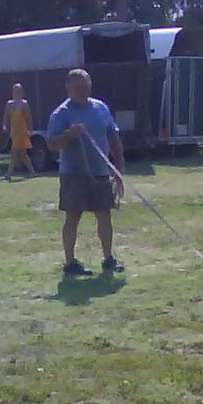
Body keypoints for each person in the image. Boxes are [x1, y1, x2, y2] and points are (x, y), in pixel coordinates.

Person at [45, 68, 125, 276]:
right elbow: (51, 144)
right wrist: (69, 135)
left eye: (86, 87)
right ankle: (70, 263)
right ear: (68, 88)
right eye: (79, 88)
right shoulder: (62, 113)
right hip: (73, 174)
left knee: (104, 216)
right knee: (73, 217)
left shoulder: (101, 108)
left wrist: (119, 167)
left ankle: (108, 259)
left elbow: (113, 138)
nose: (83, 91)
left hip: (100, 173)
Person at [3, 82, 36, 179]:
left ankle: (8, 174)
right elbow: (5, 117)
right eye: (15, 90)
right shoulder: (9, 104)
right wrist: (4, 126)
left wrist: (31, 130)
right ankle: (33, 172)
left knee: (14, 152)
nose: (16, 93)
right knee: (22, 154)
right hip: (14, 132)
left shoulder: (24, 104)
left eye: (18, 91)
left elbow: (29, 118)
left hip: (22, 132)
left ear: (21, 92)